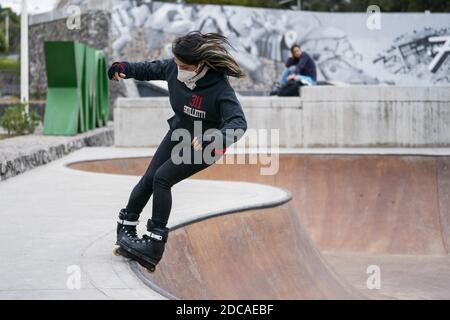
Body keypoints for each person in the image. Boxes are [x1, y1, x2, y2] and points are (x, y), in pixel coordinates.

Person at [108, 31, 247, 271]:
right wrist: (123, 67)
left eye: (184, 65)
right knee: (149, 178)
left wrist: (215, 137)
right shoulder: (174, 68)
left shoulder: (220, 89)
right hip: (179, 133)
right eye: (177, 63)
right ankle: (126, 227)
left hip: (205, 145)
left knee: (163, 179)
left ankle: (154, 243)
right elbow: (148, 69)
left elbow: (238, 124)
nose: (178, 68)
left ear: (199, 64)